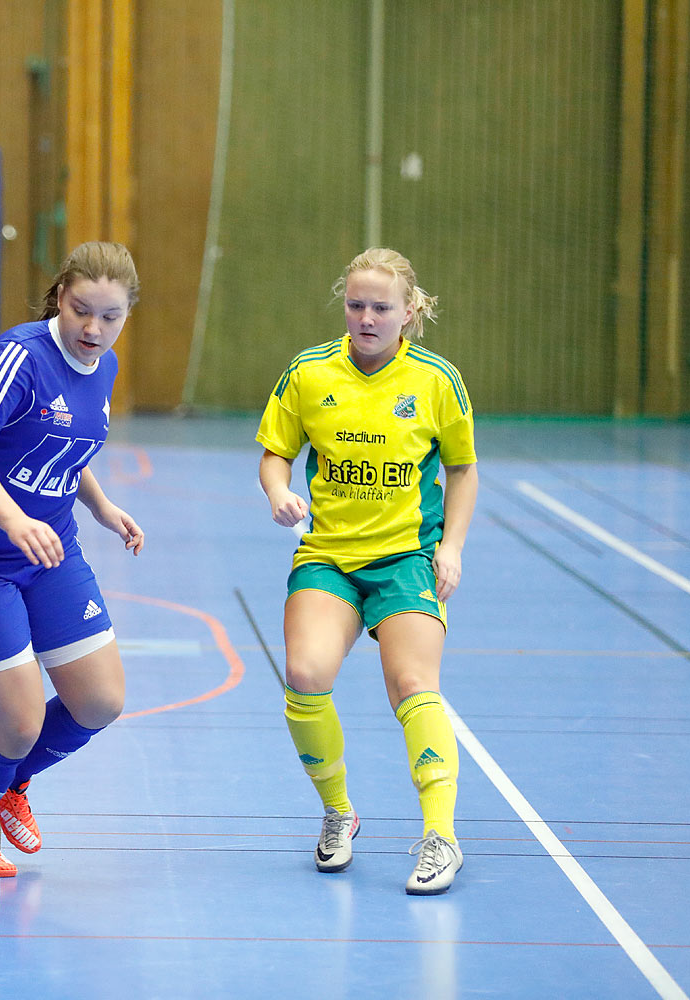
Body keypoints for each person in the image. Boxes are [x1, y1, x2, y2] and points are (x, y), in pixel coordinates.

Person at [0, 241, 146, 878]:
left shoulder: (104, 363)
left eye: (110, 317)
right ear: (59, 298)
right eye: (81, 312)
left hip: (50, 546)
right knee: (16, 723)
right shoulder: (17, 358)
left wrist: (100, 505)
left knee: (99, 703)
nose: (93, 330)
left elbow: (72, 444)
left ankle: (11, 784)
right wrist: (15, 520)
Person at [256, 248, 478, 895]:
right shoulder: (309, 372)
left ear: (409, 311)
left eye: (381, 307)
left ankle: (441, 836)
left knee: (412, 681)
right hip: (329, 556)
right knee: (304, 673)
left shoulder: (436, 380)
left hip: (406, 556)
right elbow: (275, 454)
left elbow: (462, 469)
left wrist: (453, 546)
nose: (367, 317)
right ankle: (338, 811)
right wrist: (278, 492)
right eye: (356, 305)